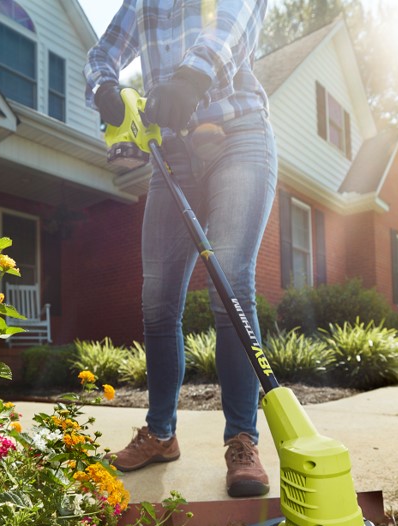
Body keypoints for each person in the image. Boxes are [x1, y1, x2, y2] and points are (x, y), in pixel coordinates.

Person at [84, 0, 277, 498]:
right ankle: (161, 434)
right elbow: (102, 52)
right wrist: (105, 87)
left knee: (230, 283)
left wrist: (193, 75)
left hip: (238, 136)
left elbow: (238, 19)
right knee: (157, 300)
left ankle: (242, 441)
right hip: (170, 155)